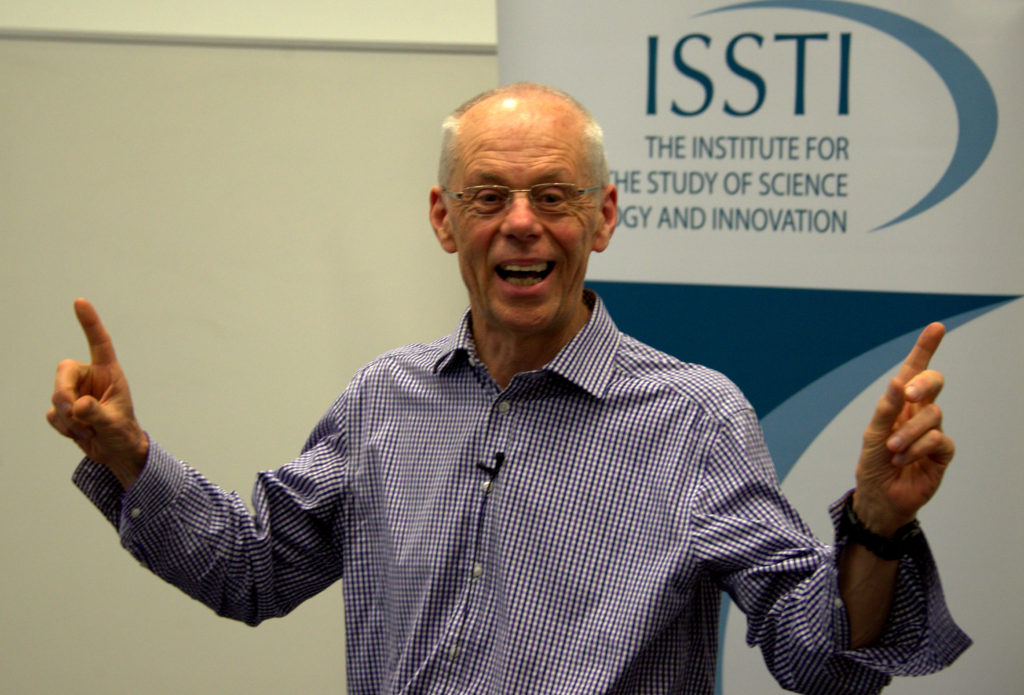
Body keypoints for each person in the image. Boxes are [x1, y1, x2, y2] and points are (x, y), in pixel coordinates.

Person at [47, 83, 969, 694]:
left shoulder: (692, 418)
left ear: (601, 217)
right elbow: (251, 570)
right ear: (445, 221)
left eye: (554, 196)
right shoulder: (381, 399)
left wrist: (876, 528)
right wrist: (128, 453)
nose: (521, 225)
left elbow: (822, 662)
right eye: (488, 197)